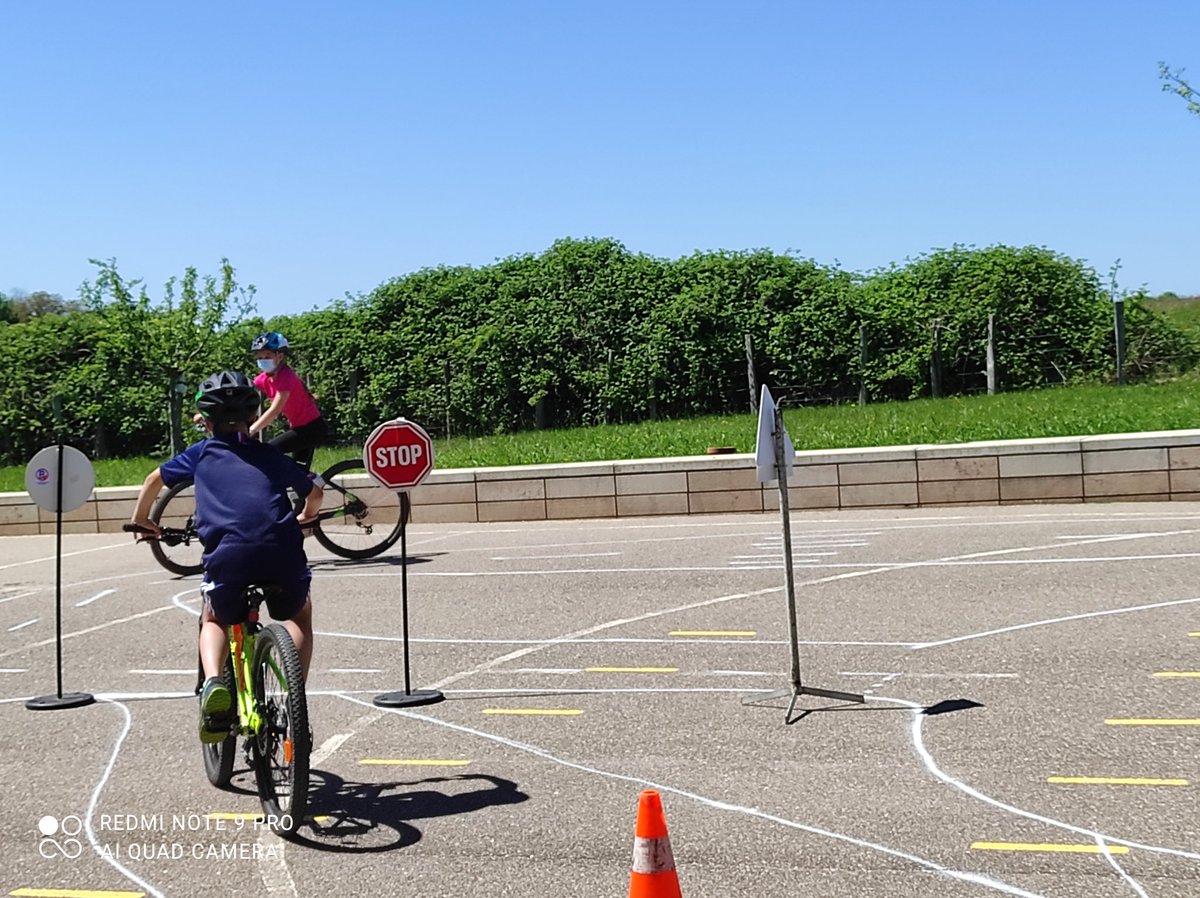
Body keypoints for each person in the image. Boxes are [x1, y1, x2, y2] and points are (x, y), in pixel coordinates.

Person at [130, 370, 323, 744]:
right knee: (299, 613)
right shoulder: (269, 455)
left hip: (229, 556)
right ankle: (292, 693)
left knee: (214, 616)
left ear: (206, 420)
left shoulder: (200, 454)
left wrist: (142, 522)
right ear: (253, 417)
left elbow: (154, 479)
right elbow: (314, 491)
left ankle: (216, 683)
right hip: (281, 551)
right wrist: (307, 516)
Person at [248, 332, 328, 472]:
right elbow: (241, 390)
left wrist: (252, 429)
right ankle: (311, 486)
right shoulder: (265, 378)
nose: (262, 360)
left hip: (311, 429)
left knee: (269, 451)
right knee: (299, 473)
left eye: (267, 356)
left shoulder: (286, 377)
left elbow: (275, 410)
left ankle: (312, 486)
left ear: (280, 356)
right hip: (299, 428)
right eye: (259, 357)